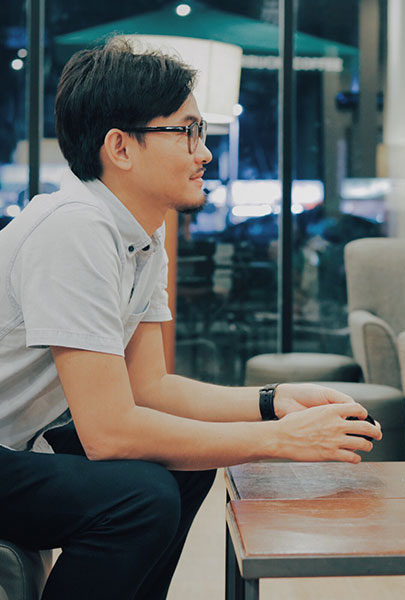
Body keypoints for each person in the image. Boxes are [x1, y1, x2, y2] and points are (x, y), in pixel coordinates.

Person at [0, 38, 381, 600]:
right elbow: (108, 433)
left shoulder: (141, 233)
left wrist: (273, 401)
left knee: (183, 466)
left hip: (15, 449)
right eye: (188, 132)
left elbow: (151, 389)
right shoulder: (74, 229)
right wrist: (279, 439)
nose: (204, 153)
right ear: (120, 147)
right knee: (140, 497)